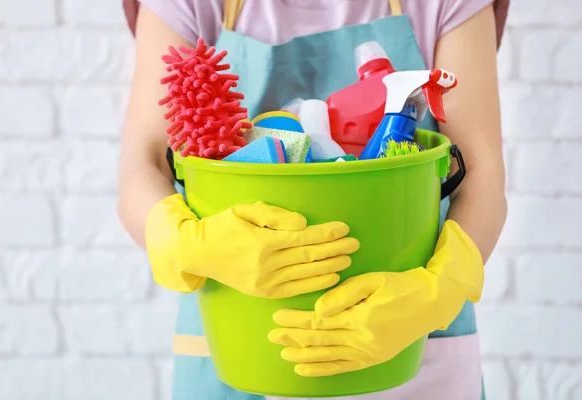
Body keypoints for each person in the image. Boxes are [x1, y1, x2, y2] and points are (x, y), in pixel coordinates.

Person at [118, 0, 509, 399]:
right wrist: (184, 242)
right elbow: (144, 165)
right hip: (239, 331)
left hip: (409, 329)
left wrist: (441, 286)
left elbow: (479, 171)